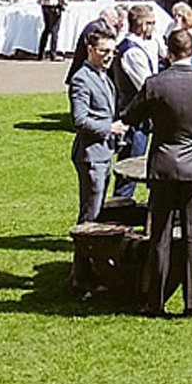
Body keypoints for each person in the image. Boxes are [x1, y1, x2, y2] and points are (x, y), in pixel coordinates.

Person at [118, 23, 192, 316]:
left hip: (162, 166)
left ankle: (155, 301)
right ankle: (191, 301)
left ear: (169, 53)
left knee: (159, 235)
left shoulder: (155, 84)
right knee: (191, 235)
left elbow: (129, 115)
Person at [66, 28, 127, 248]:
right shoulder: (82, 79)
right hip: (91, 154)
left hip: (104, 152)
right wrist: (109, 128)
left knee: (98, 207)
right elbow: (79, 119)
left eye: (113, 51)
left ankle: (91, 257)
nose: (109, 55)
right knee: (90, 212)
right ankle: (83, 265)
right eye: (104, 51)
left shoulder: (103, 74)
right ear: (90, 50)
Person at [108, 5, 158, 200]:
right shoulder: (131, 52)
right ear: (142, 24)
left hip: (140, 117)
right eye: (151, 23)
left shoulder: (143, 45)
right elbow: (147, 86)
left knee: (137, 165)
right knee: (130, 167)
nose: (153, 27)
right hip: (134, 118)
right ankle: (119, 211)